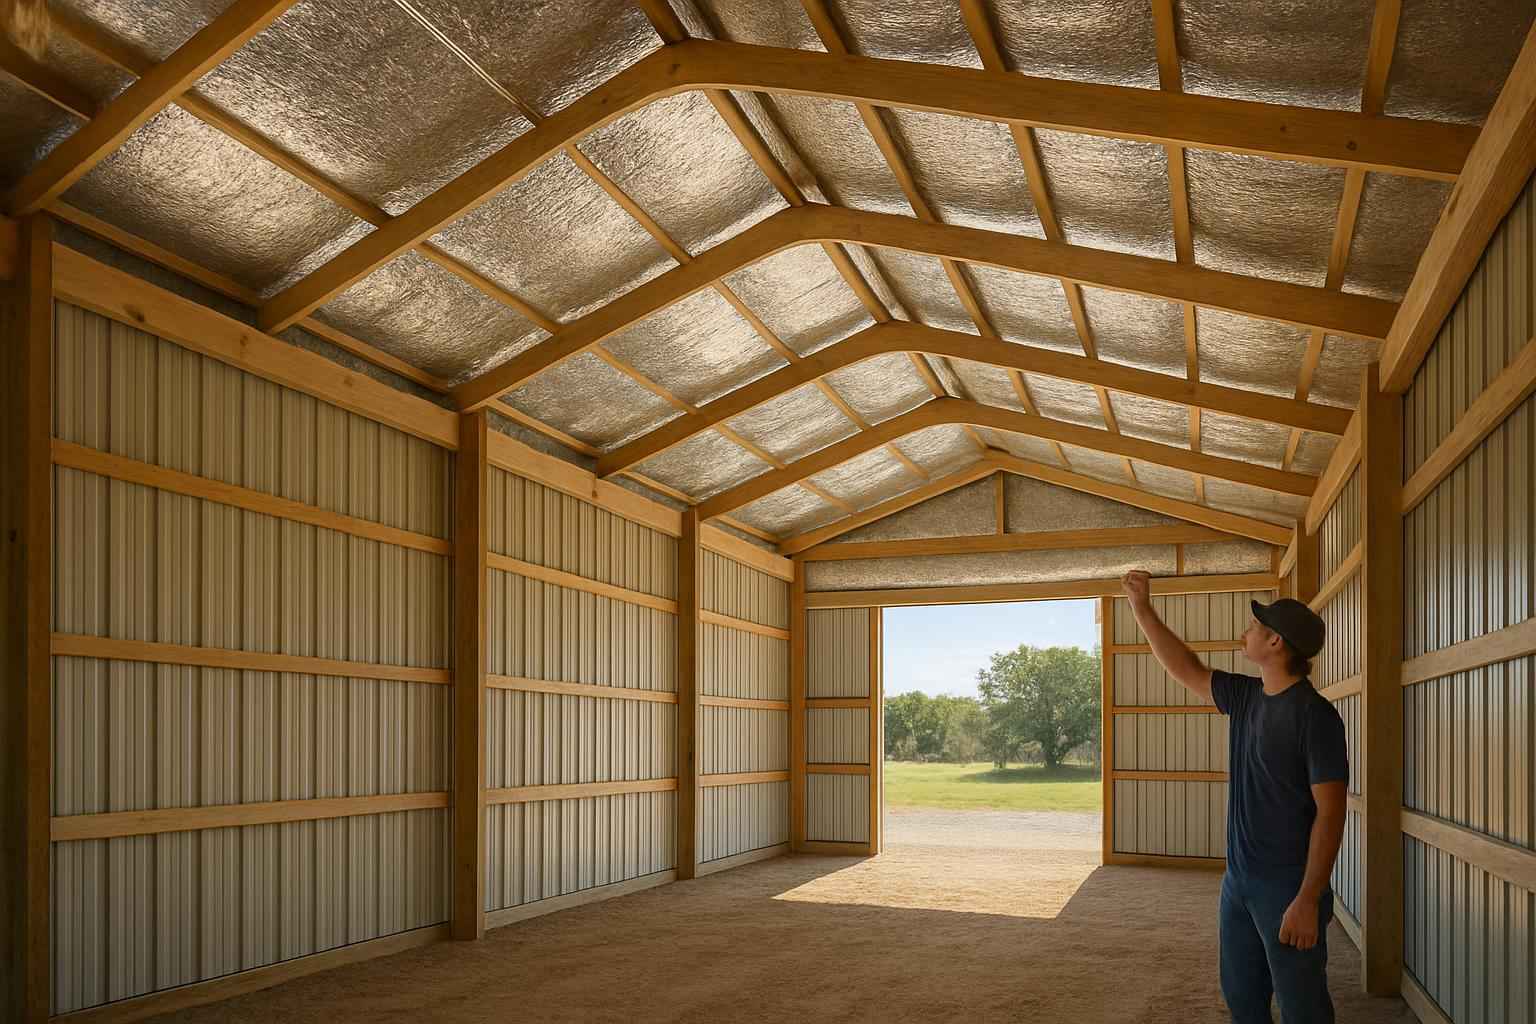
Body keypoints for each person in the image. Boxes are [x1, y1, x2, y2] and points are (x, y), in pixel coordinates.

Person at [1119, 570, 1349, 1024]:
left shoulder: (1316, 717)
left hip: (1288, 886)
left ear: (1276, 642)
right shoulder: (1246, 697)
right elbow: (1186, 667)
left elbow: (1331, 813)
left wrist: (1308, 898)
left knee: (1302, 1006)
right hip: (1238, 881)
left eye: (1255, 627)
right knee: (1242, 1000)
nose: (1245, 632)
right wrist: (1142, 609)